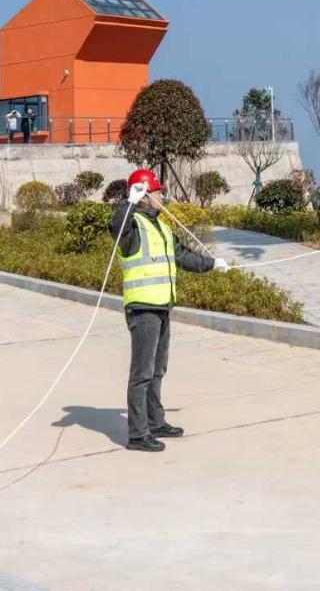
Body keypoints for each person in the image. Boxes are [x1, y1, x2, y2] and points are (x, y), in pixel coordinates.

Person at [111, 168, 232, 452]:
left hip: (163, 306)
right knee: (142, 373)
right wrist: (128, 202)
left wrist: (211, 264)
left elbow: (182, 255)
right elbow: (117, 229)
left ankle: (155, 422)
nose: (163, 196)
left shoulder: (162, 227)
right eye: (157, 191)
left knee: (157, 369)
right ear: (144, 194)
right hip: (143, 308)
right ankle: (138, 434)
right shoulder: (132, 226)